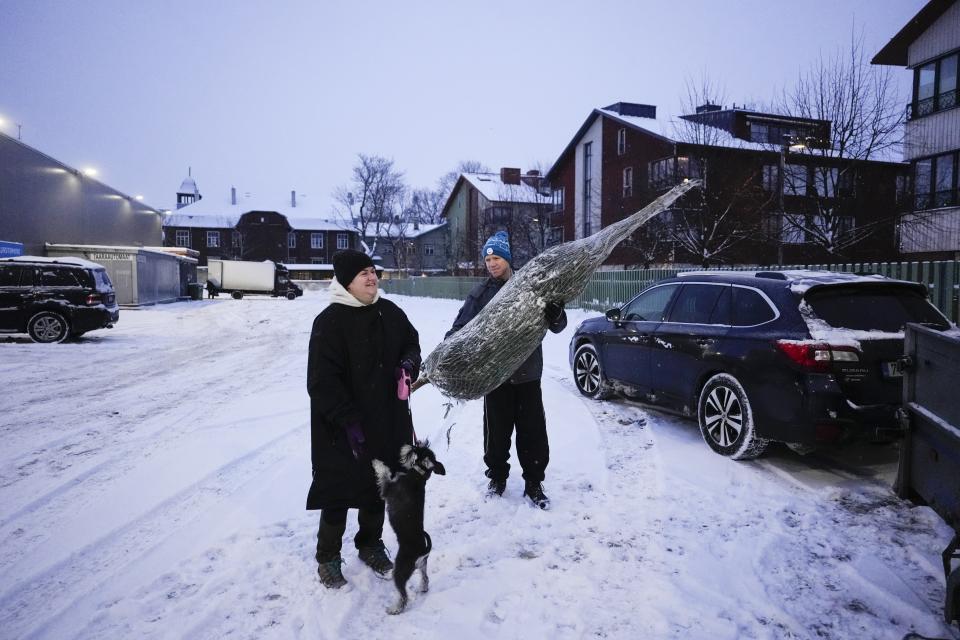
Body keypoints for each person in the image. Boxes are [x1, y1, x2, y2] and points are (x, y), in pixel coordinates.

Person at [306, 249, 421, 589]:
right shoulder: (329, 322)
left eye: (373, 272)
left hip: (386, 420)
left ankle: (370, 544)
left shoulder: (389, 312)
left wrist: (408, 366)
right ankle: (328, 557)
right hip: (342, 428)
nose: (372, 278)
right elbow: (321, 382)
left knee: (377, 488)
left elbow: (411, 344)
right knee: (338, 492)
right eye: (363, 274)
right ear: (346, 282)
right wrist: (348, 420)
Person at [446, 231, 566, 510]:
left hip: (528, 375)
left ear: (508, 259)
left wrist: (556, 315)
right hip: (495, 377)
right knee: (496, 434)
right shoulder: (480, 294)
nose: (491, 263)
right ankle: (497, 477)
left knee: (533, 433)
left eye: (496, 257)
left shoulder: (531, 287)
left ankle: (534, 483)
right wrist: (448, 349)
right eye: (487, 259)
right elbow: (459, 328)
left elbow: (559, 324)